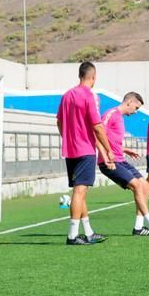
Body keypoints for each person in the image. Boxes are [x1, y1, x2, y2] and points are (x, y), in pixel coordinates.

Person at [56, 61, 115, 245]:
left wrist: (68, 136)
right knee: (80, 192)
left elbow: (59, 121)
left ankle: (88, 232)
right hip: (85, 149)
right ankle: (72, 235)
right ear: (93, 77)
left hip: (71, 149)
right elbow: (97, 126)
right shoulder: (88, 96)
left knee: (79, 191)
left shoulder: (67, 95)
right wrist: (108, 149)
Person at [98, 93, 149, 236]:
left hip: (121, 160)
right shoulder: (111, 113)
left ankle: (138, 228)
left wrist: (124, 149)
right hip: (109, 162)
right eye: (136, 107)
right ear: (129, 102)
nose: (135, 111)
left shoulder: (120, 118)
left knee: (145, 185)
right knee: (137, 185)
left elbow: (111, 140)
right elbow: (97, 134)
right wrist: (105, 156)